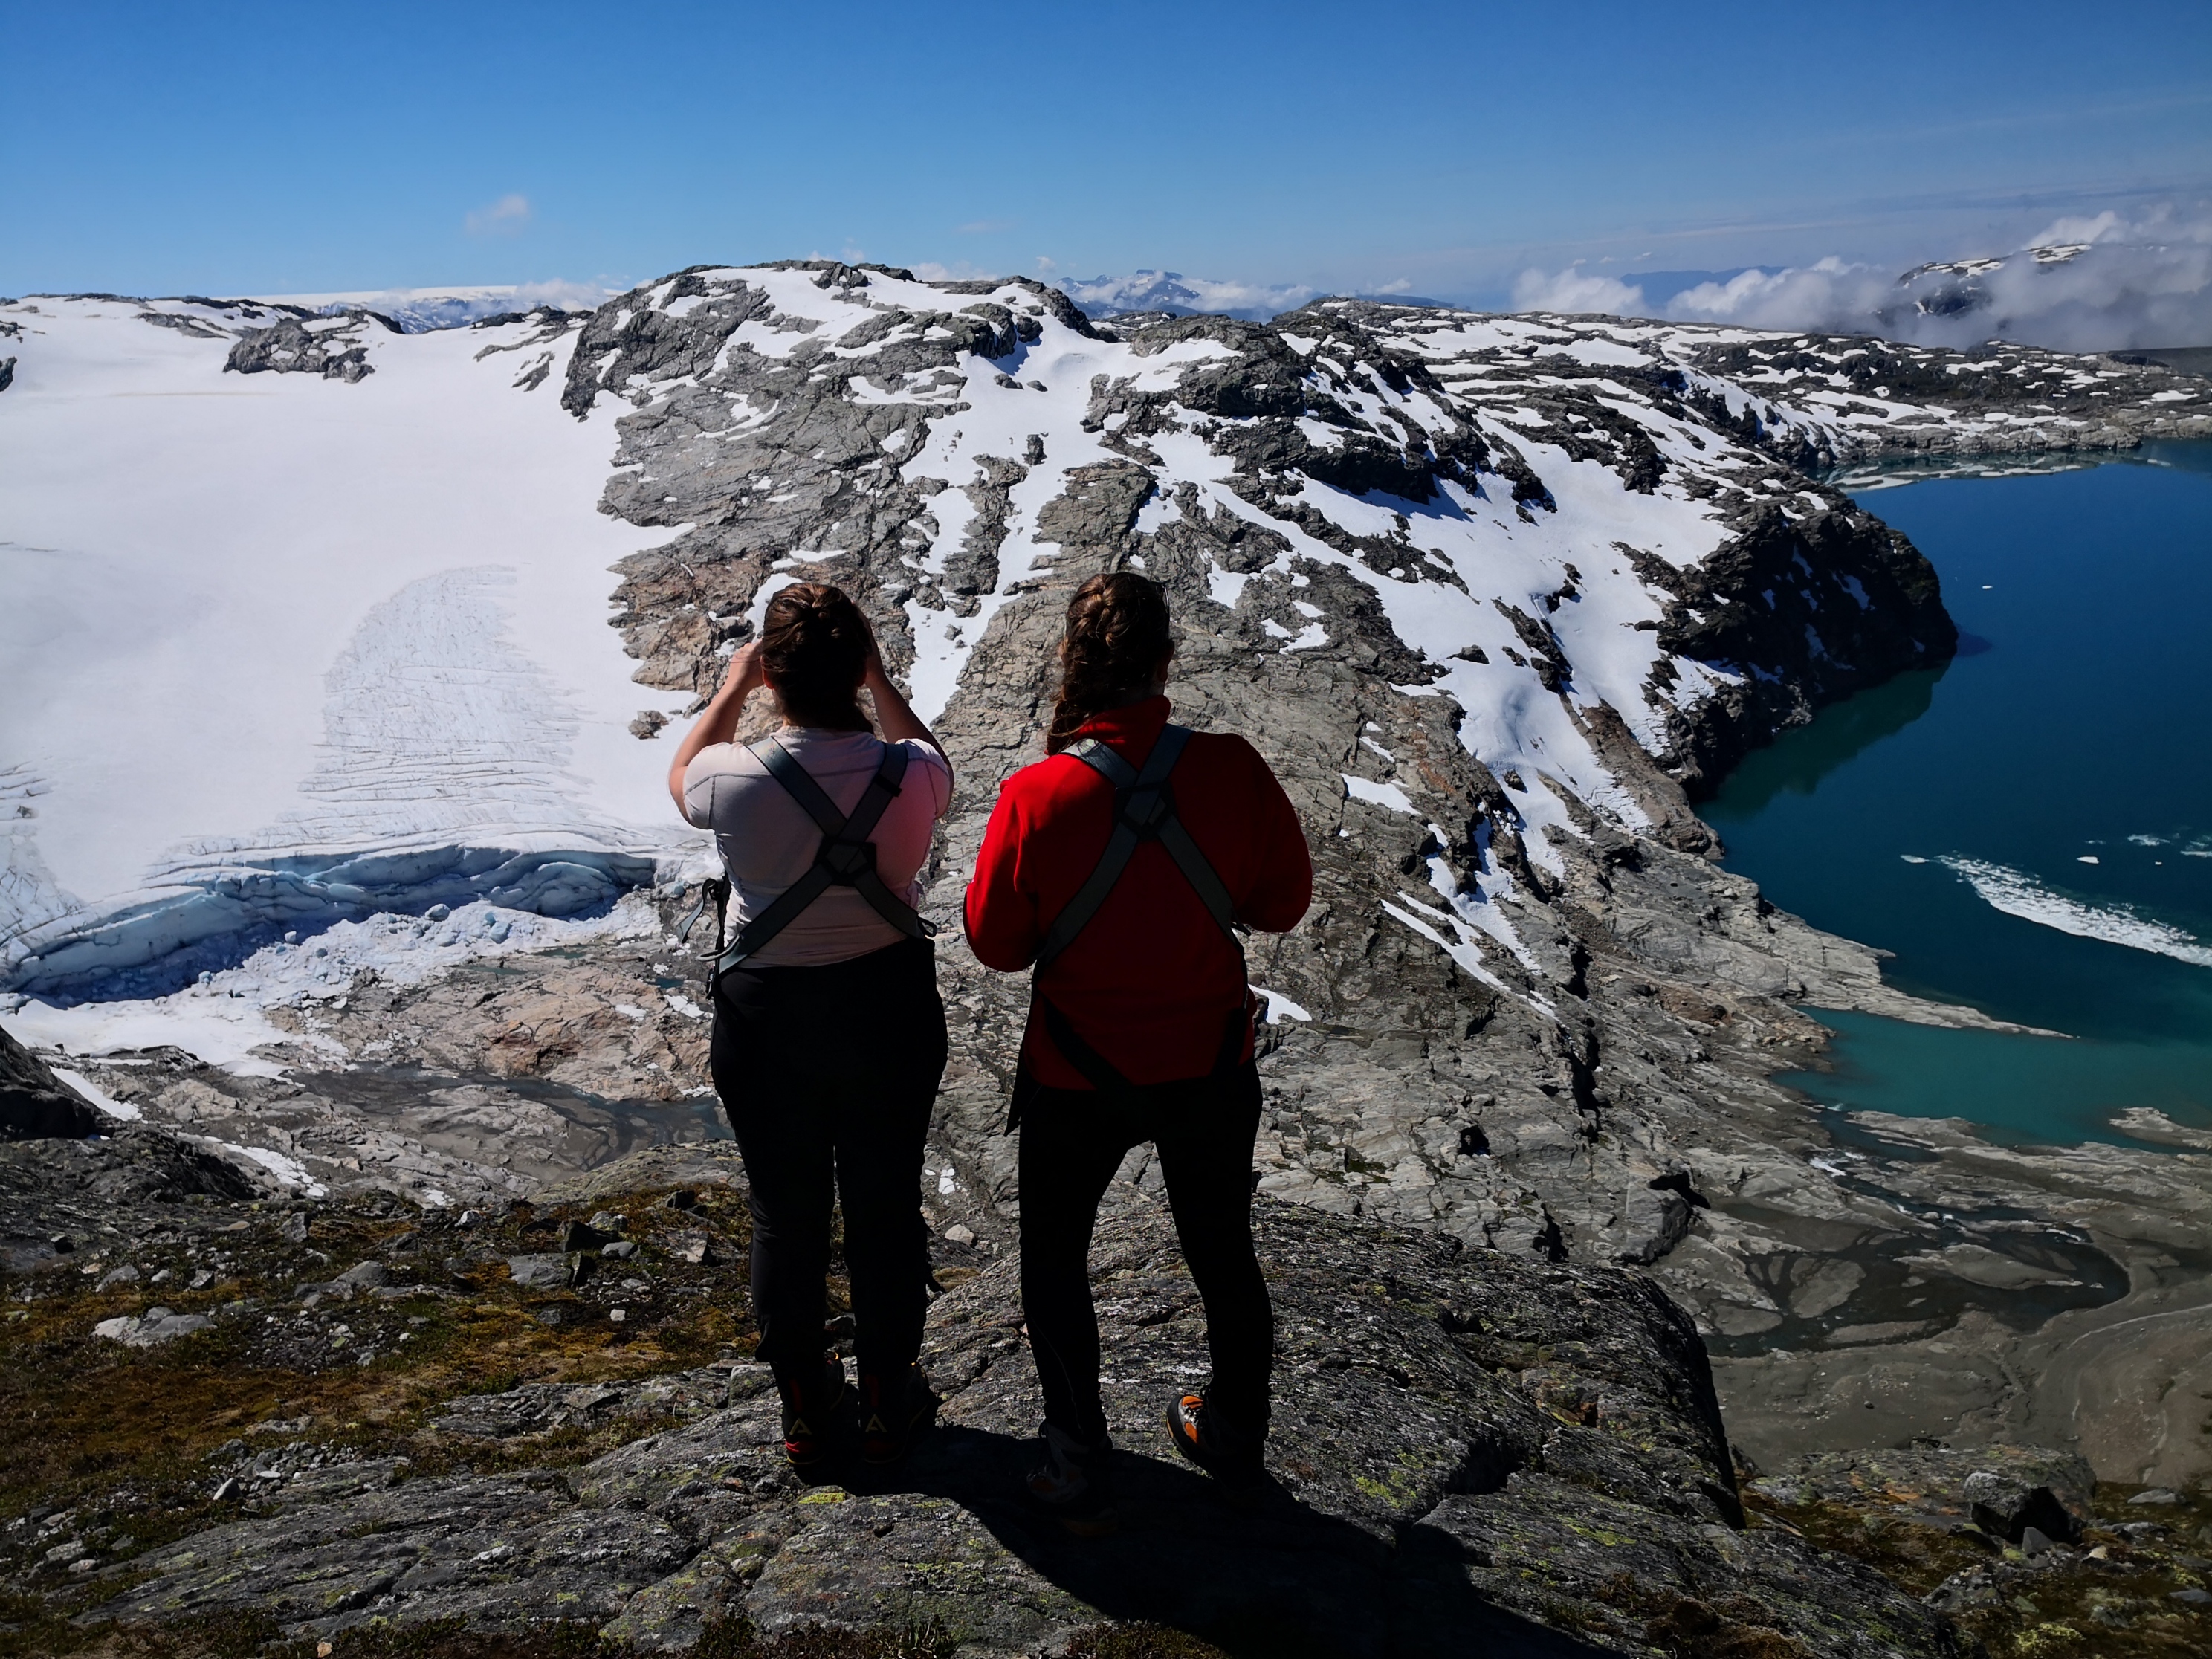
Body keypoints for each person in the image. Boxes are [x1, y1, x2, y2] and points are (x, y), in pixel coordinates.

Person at [964, 572, 1313, 1533]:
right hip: (1207, 1067)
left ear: (1072, 667)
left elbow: (995, 946)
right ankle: (1232, 1437)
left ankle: (1076, 1458)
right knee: (1221, 1253)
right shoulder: (1233, 768)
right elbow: (1283, 903)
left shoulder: (1037, 794)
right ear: (1166, 663)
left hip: (1077, 1076)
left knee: (1054, 1263)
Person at [667, 582, 954, 1469]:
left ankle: (805, 1402)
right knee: (886, 1204)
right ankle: (889, 1395)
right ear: (857, 670)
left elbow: (682, 773)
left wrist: (733, 685)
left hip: (769, 1019)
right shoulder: (913, 777)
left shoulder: (735, 781)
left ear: (776, 676)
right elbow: (925, 750)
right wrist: (880, 682)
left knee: (784, 1216)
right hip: (888, 1004)